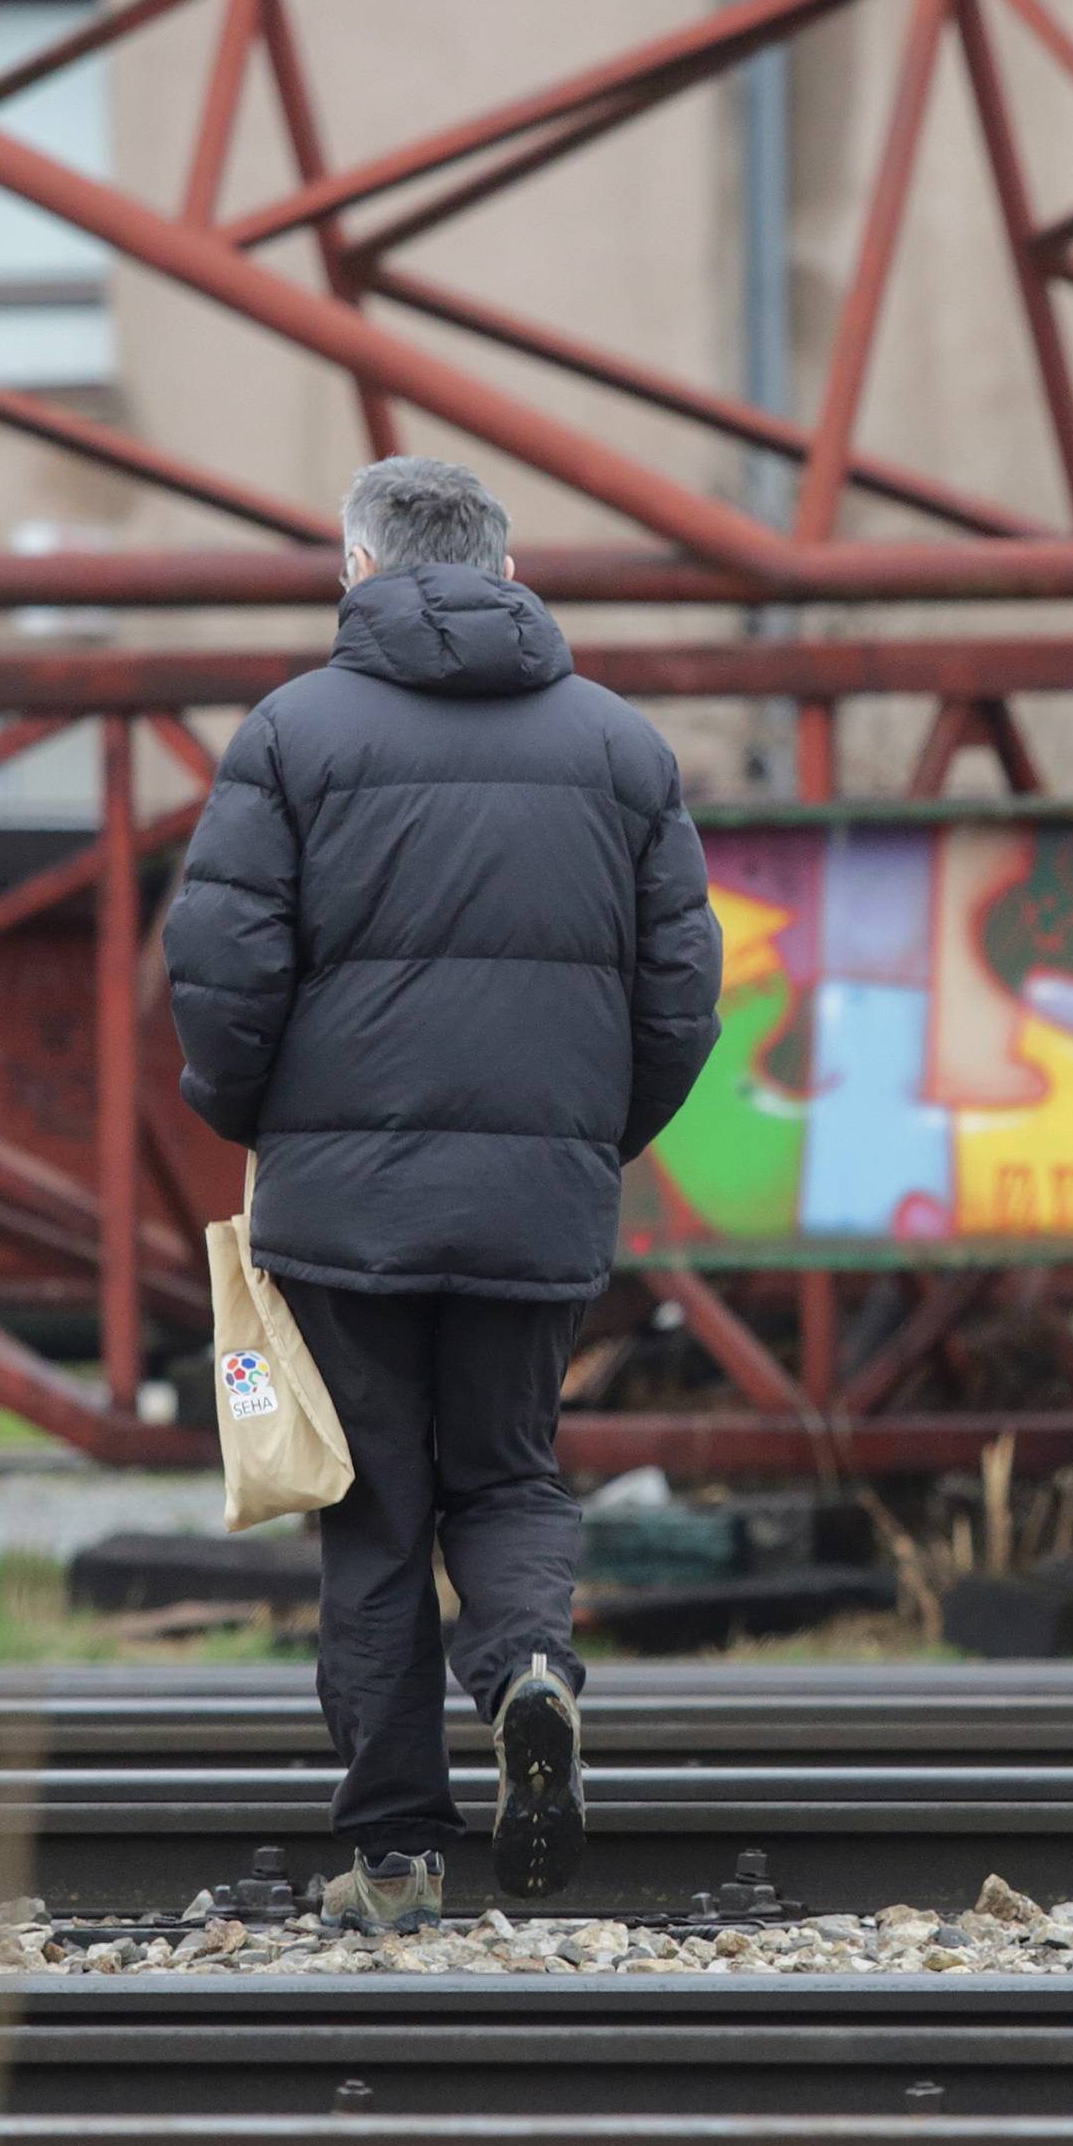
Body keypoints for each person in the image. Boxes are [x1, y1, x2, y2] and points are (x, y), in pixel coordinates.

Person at [164, 455, 722, 1934]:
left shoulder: (289, 736)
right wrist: (587, 1141)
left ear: (359, 566)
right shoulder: (622, 749)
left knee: (372, 1509)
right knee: (509, 1471)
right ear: (508, 567)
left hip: (342, 1204)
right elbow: (682, 1000)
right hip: (539, 1194)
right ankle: (529, 1670)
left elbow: (221, 984)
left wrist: (261, 1120)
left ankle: (400, 1855)